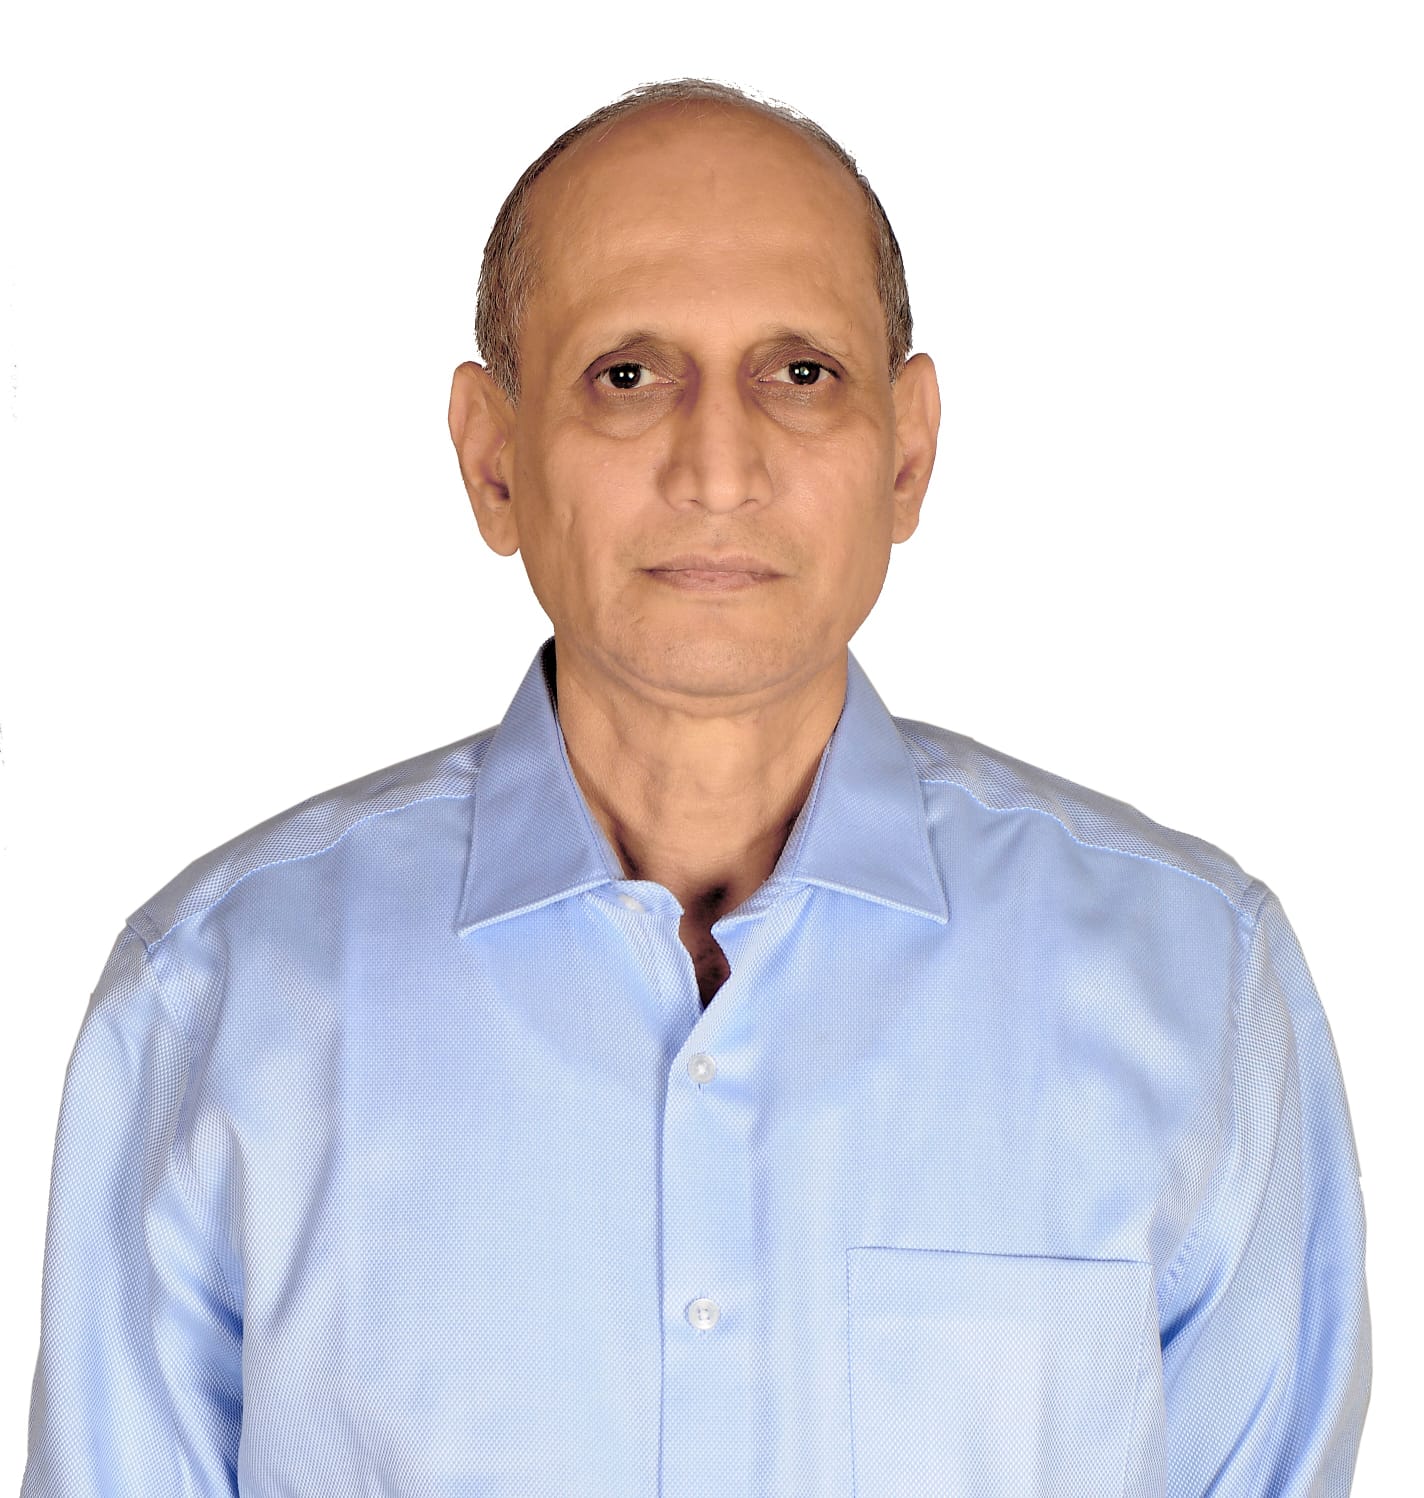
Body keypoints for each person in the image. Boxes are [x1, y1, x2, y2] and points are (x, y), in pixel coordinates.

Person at [19, 77, 1369, 1496]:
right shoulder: (221, 1002)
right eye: (626, 376)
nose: (718, 471)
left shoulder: (1192, 987)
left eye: (802, 375)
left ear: (908, 451)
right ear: (492, 459)